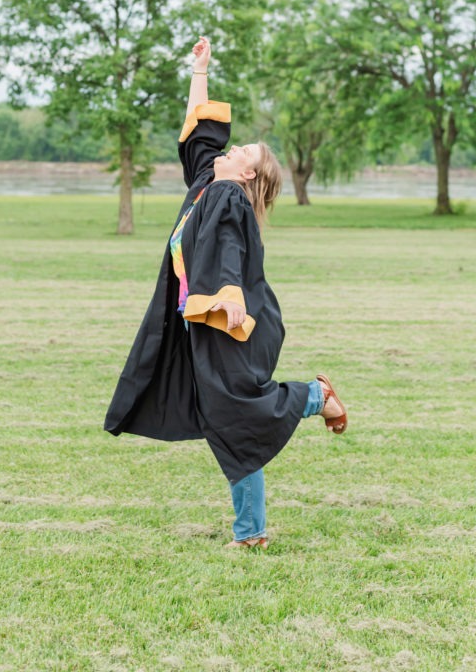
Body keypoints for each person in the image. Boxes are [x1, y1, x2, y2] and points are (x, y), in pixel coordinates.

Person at [104, 36, 347, 549]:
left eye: (242, 152)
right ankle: (252, 532)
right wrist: (200, 70)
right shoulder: (205, 183)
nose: (230, 149)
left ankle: (312, 395)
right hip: (208, 318)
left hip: (233, 317)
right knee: (226, 420)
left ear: (249, 173)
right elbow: (200, 132)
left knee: (235, 413)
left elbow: (228, 249)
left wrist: (229, 298)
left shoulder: (228, 196)